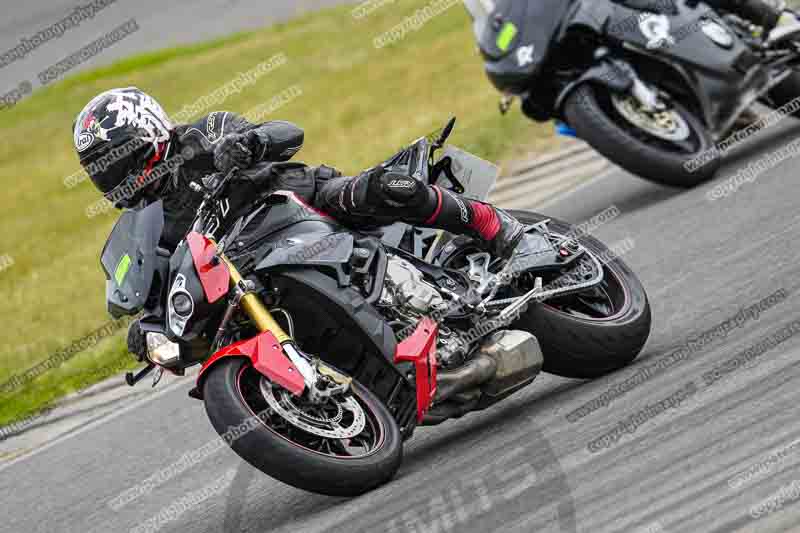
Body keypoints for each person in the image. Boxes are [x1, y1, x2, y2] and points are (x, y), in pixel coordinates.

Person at [72, 87, 525, 355]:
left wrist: (249, 143)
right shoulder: (147, 223)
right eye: (107, 172)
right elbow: (162, 286)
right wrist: (146, 327)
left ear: (148, 130)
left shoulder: (203, 133)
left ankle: (489, 224)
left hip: (296, 200)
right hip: (249, 267)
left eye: (122, 161)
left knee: (380, 187)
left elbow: (288, 132)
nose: (122, 178)